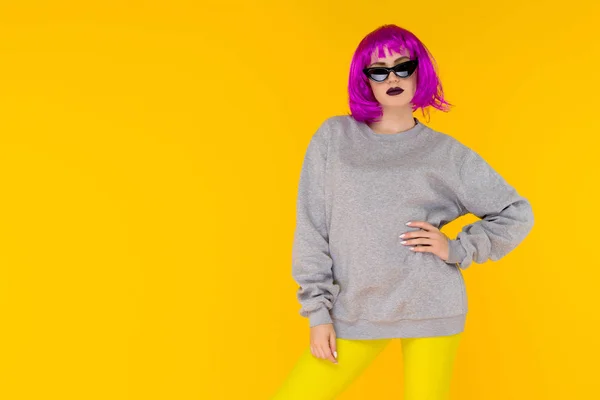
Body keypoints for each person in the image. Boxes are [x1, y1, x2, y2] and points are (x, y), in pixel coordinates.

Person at [271, 24, 534, 400]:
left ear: (419, 72)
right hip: (355, 305)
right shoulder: (334, 137)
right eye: (378, 70)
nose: (392, 77)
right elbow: (312, 226)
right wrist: (318, 314)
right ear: (366, 81)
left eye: (402, 66)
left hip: (430, 301)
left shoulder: (445, 153)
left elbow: (515, 212)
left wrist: (456, 248)